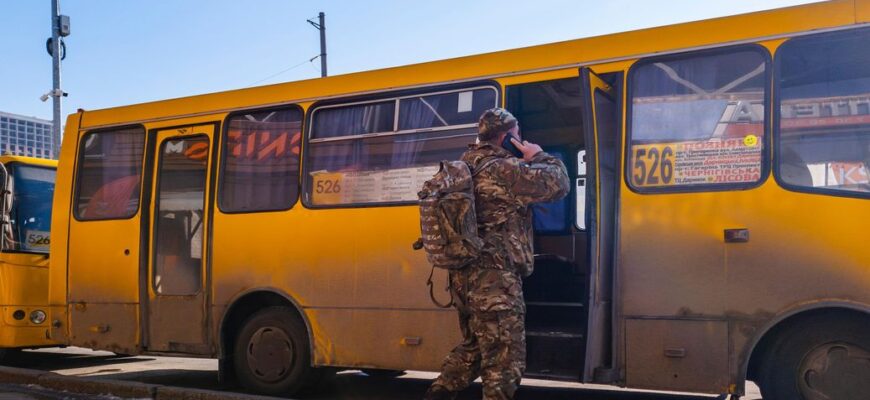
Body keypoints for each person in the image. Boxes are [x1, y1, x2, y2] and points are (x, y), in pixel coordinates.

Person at [424, 108, 570, 400]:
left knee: (477, 348)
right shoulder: (503, 170)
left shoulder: (464, 166)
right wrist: (538, 155)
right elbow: (559, 183)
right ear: (506, 138)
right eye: (517, 136)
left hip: (462, 278)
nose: (520, 140)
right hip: (495, 282)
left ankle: (438, 393)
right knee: (504, 360)